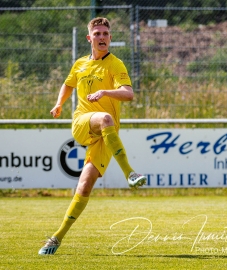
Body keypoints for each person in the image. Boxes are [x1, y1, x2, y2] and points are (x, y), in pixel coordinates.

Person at [38, 17, 147, 255]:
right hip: (83, 123)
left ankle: (56, 238)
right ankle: (130, 173)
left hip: (106, 135)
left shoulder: (115, 64)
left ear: (110, 38)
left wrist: (105, 91)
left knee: (84, 187)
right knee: (106, 118)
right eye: (97, 34)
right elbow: (68, 84)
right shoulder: (80, 64)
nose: (101, 37)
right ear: (89, 38)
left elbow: (128, 94)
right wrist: (59, 104)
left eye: (105, 34)